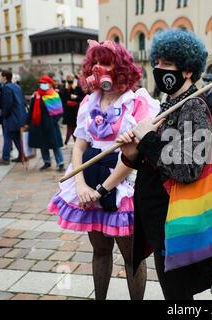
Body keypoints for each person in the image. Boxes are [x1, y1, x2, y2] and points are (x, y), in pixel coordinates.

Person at [118, 29, 212, 300]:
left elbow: (186, 168)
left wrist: (147, 138)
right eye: (156, 62)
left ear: (187, 70)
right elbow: (158, 161)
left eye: (166, 64)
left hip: (177, 222)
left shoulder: (193, 106)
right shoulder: (169, 104)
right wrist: (131, 154)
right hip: (160, 221)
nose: (158, 69)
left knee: (177, 295)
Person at [48, 40, 159, 300]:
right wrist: (81, 186)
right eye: (95, 63)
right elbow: (78, 147)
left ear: (120, 68)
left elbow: (133, 156)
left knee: (132, 256)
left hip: (122, 188)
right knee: (99, 251)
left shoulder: (138, 103)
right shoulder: (89, 102)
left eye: (106, 63)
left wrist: (101, 190)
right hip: (90, 184)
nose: (98, 68)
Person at [26, 75, 66, 171]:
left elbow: (59, 111)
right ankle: (46, 162)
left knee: (55, 144)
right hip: (39, 124)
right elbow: (31, 110)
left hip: (51, 124)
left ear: (50, 84)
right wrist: (27, 122)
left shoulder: (54, 95)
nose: (43, 85)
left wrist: (54, 121)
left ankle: (60, 163)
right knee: (42, 144)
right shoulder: (36, 95)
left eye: (45, 83)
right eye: (41, 83)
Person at [0, 70, 27, 165]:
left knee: (7, 136)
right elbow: (23, 101)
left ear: (4, 77)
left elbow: (8, 104)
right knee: (16, 137)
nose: (0, 78)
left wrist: (3, 114)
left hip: (11, 117)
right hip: (19, 116)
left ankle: (5, 158)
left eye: (0, 76)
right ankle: (21, 155)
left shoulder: (6, 88)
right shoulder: (17, 87)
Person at [60, 74, 85, 145]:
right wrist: (68, 101)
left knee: (73, 127)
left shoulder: (77, 88)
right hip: (68, 110)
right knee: (70, 127)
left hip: (75, 110)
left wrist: (76, 98)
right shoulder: (65, 88)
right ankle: (69, 142)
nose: (70, 81)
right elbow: (63, 99)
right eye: (68, 79)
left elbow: (82, 98)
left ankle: (68, 142)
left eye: (71, 79)